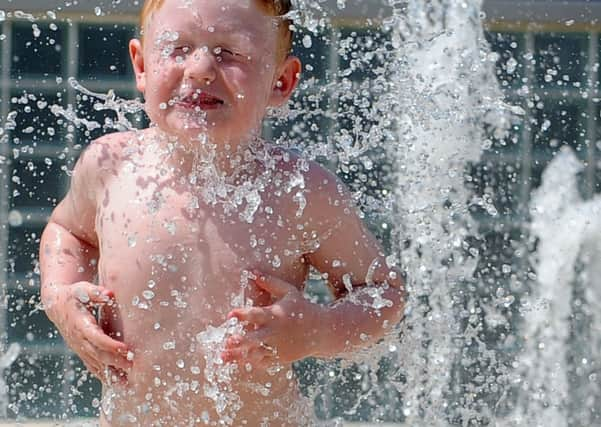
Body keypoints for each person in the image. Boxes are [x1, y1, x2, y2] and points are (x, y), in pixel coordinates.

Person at [39, 0, 405, 425]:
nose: (200, 69)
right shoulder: (109, 166)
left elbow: (383, 293)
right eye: (177, 49)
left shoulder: (298, 191)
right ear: (141, 65)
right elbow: (68, 231)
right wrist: (60, 297)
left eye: (230, 52)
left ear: (281, 81)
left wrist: (319, 331)